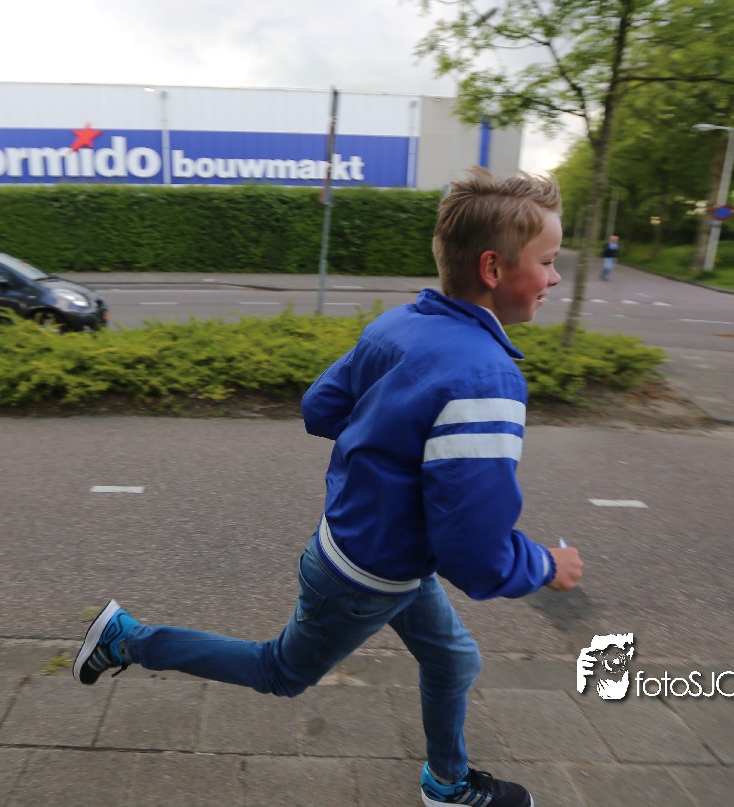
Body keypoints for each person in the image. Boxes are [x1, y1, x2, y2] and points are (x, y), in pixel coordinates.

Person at [74, 167, 584, 807]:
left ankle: (447, 784)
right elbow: (476, 554)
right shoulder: (486, 378)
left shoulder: (399, 325)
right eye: (548, 261)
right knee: (279, 671)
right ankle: (126, 638)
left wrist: (388, 450)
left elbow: (320, 406)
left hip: (381, 550)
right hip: (367, 578)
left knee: (455, 659)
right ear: (492, 268)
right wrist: (547, 566)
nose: (555, 278)